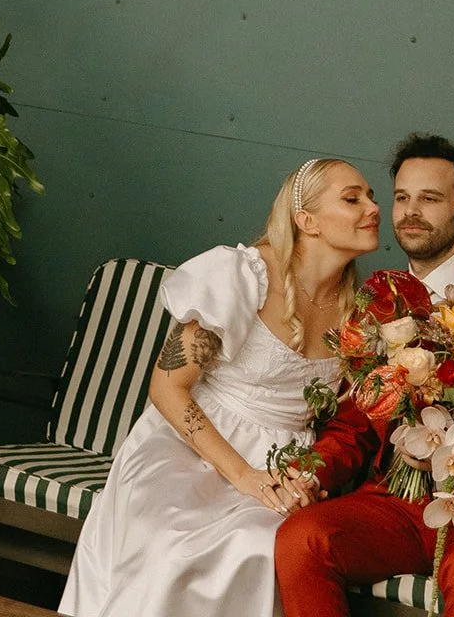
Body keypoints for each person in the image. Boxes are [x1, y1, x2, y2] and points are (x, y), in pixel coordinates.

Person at [58, 157, 381, 617]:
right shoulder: (241, 275)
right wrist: (244, 476)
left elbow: (349, 425)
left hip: (283, 463)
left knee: (260, 546)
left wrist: (305, 476)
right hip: (189, 447)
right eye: (353, 198)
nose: (372, 207)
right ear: (304, 219)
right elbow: (168, 387)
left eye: (371, 197)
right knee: (171, 546)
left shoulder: (363, 313)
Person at [275, 132, 454, 617]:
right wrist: (308, 474)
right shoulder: (377, 303)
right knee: (302, 538)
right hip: (395, 508)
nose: (411, 211)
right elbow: (353, 426)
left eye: (430, 199)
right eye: (402, 198)